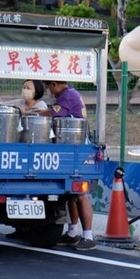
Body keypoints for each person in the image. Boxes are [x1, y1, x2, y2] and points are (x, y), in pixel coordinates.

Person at [42, 80, 95, 251]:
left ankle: (88, 236)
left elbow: (54, 115)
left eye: (49, 87)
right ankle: (73, 232)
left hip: (77, 149)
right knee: (71, 193)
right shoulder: (68, 94)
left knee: (80, 194)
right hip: (70, 148)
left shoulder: (68, 96)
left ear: (55, 84)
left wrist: (37, 113)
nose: (50, 91)